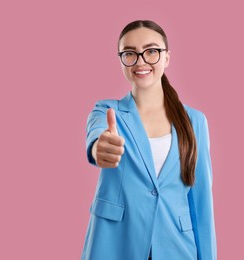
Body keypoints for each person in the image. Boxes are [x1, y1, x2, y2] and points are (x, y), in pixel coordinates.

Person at [81, 20, 217, 260]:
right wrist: (99, 148)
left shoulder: (195, 121)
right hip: (116, 244)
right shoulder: (106, 111)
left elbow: (202, 201)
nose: (140, 61)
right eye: (130, 53)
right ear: (121, 60)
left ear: (166, 58)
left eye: (151, 51)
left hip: (177, 246)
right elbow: (97, 135)